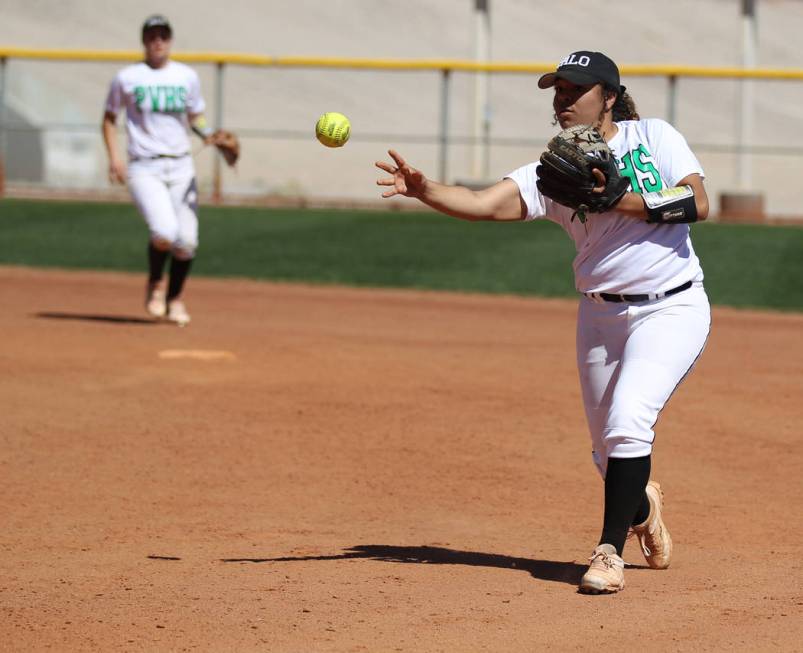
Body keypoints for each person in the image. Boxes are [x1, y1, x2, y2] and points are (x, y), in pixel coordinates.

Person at [375, 50, 711, 594]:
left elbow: (697, 201)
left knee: (629, 420)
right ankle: (642, 505)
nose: (562, 101)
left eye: (573, 90)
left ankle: (608, 554)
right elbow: (485, 203)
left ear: (607, 97)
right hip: (599, 317)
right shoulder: (552, 173)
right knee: (608, 453)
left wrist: (620, 200)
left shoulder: (654, 135)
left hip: (670, 305)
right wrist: (425, 190)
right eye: (556, 92)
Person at [102, 15, 216, 326]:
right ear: (144, 41)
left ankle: (175, 299)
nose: (158, 41)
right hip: (144, 166)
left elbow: (196, 116)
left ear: (170, 40)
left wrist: (211, 136)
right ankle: (155, 283)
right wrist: (114, 158)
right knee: (165, 232)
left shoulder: (186, 76)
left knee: (187, 241)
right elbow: (109, 119)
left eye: (163, 35)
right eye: (152, 35)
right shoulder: (127, 77)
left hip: (181, 164)